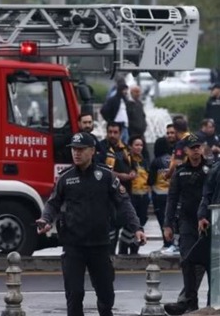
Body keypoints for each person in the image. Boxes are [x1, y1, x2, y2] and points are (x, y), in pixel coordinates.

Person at [36, 132, 147, 316]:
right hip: (73, 246)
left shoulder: (105, 176)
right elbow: (53, 203)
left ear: (92, 151)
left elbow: (123, 203)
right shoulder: (66, 178)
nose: (76, 154)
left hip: (100, 245)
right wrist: (45, 220)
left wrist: (137, 228)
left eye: (80, 150)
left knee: (106, 295)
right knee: (74, 294)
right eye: (73, 150)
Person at [163, 135, 211, 315]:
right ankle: (190, 302)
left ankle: (211, 302)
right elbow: (172, 199)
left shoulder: (211, 169)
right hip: (187, 222)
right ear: (186, 151)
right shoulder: (180, 171)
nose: (196, 150)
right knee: (187, 261)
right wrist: (167, 225)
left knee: (209, 264)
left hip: (208, 222)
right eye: (192, 147)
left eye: (198, 146)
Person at [98, 122, 133, 253]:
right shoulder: (101, 147)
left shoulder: (125, 148)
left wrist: (133, 172)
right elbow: (100, 169)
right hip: (108, 195)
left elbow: (134, 165)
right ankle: (109, 253)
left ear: (120, 133)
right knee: (110, 226)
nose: (112, 135)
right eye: (110, 132)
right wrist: (120, 176)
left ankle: (123, 252)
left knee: (127, 222)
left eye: (115, 132)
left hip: (125, 194)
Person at [127, 135, 150, 255]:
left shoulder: (144, 160)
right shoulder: (128, 160)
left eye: (141, 145)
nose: (139, 147)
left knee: (142, 220)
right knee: (131, 222)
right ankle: (125, 246)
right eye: (136, 145)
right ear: (130, 146)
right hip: (132, 195)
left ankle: (135, 246)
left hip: (144, 195)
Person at [148, 152, 173, 249]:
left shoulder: (156, 161)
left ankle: (167, 242)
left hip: (159, 195)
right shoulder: (173, 160)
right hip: (171, 194)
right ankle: (172, 242)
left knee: (162, 220)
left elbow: (151, 180)